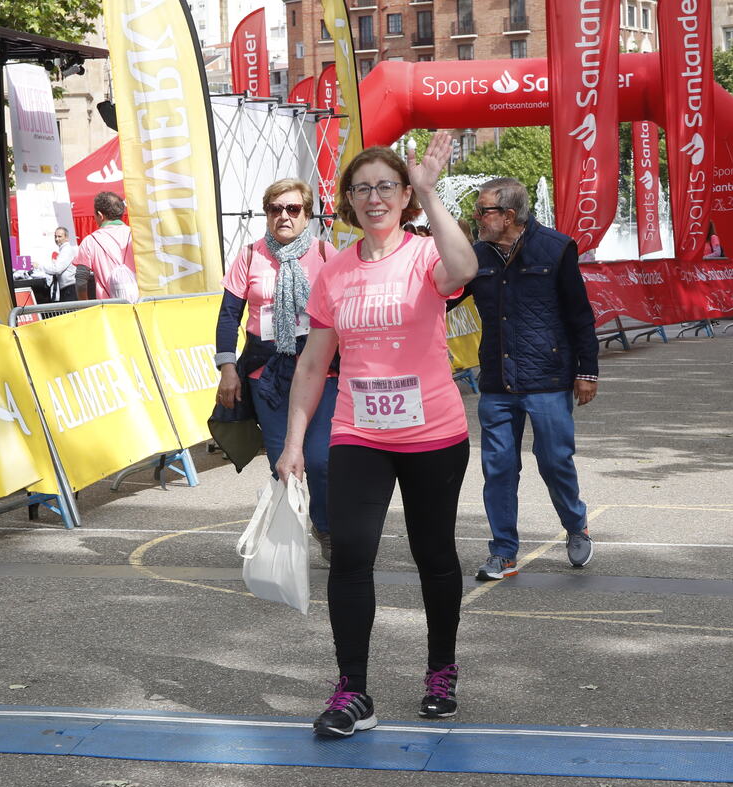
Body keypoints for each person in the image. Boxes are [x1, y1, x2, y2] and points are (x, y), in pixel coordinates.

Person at [275, 132, 478, 737]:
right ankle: (352, 689)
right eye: (361, 189)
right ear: (347, 201)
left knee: (433, 553)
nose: (374, 197)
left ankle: (440, 670)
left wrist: (429, 191)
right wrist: (292, 442)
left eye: (386, 186)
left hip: (433, 433)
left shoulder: (423, 255)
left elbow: (465, 267)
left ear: (404, 195)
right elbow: (314, 364)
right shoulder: (334, 272)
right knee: (351, 555)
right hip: (358, 433)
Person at [461, 177, 600, 582]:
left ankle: (576, 525)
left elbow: (580, 316)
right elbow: (446, 294)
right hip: (497, 384)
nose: (477, 217)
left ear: (508, 215)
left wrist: (586, 372)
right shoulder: (477, 255)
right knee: (498, 468)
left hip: (548, 379)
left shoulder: (556, 249)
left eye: (484, 210)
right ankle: (503, 552)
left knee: (554, 461)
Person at [214, 179, 338, 559]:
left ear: (306, 214)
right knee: (280, 461)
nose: (283, 216)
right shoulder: (250, 255)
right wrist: (227, 368)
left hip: (320, 369)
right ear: (267, 213)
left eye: (293, 209)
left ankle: (326, 525)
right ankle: (285, 543)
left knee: (319, 459)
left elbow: (344, 312)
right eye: (275, 209)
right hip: (265, 373)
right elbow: (228, 317)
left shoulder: (324, 253)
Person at [74, 192, 135, 300]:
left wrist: (84, 306)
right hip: (141, 305)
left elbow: (81, 280)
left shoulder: (90, 241)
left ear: (100, 215)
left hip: (108, 308)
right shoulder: (135, 235)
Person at [36, 226, 77, 302]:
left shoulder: (66, 250)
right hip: (66, 287)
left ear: (66, 238)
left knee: (69, 312)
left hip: (69, 288)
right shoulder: (64, 250)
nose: (56, 239)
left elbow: (57, 269)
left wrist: (39, 266)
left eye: (59, 236)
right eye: (55, 236)